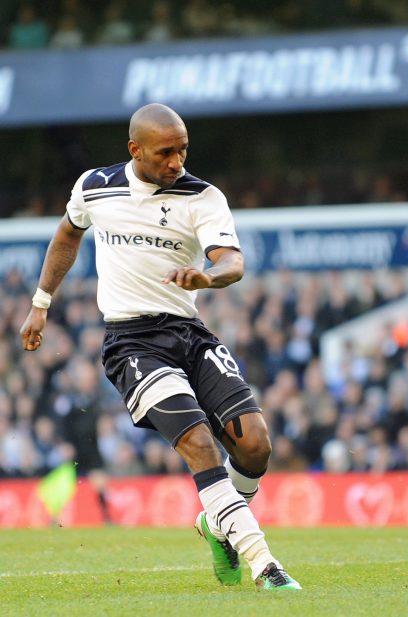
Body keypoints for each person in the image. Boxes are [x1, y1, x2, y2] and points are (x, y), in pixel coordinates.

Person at [19, 103, 301, 591]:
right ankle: (265, 565)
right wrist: (40, 303)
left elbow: (233, 260)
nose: (177, 162)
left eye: (183, 150)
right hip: (131, 340)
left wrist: (208, 277)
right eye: (165, 152)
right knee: (197, 442)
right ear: (135, 150)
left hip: (189, 332)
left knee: (255, 446)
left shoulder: (202, 196)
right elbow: (67, 233)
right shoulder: (95, 187)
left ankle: (216, 525)